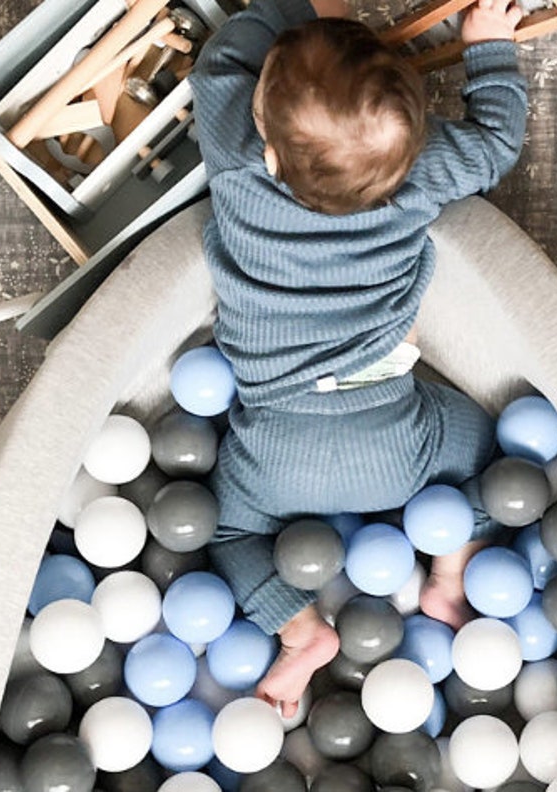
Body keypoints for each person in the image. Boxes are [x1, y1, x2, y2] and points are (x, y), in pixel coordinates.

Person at [189, 0, 527, 716]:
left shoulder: (240, 158)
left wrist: (293, 10)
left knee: (221, 527)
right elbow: (497, 142)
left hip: (274, 441)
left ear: (271, 150)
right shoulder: (424, 168)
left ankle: (302, 629)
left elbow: (220, 60)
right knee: (484, 452)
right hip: (395, 440)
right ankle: (448, 570)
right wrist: (489, 44)